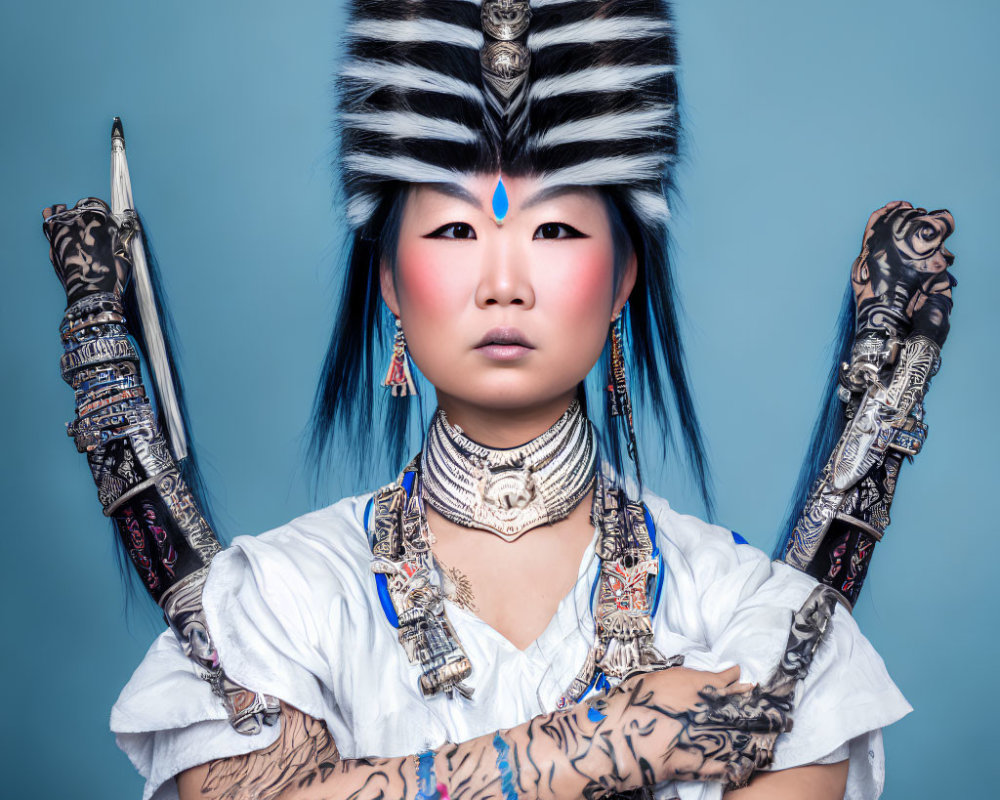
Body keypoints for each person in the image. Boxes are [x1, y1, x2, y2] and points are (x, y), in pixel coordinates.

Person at [42, 2, 943, 799]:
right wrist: (609, 741)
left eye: (554, 228)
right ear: (389, 280)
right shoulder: (283, 598)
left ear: (625, 272)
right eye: (454, 229)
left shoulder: (751, 609)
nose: (503, 282)